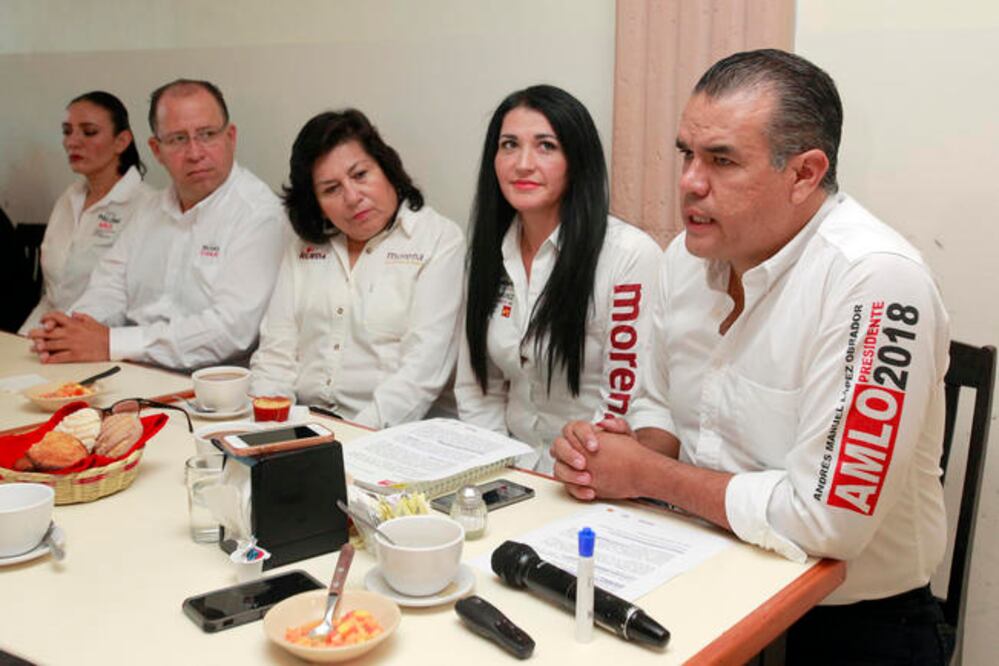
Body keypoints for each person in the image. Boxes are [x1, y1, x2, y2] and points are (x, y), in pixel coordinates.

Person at [552, 50, 953, 664]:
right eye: (687, 153)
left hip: (850, 623)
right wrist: (617, 453)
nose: (689, 180)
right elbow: (658, 401)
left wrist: (648, 476)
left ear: (804, 174)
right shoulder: (685, 260)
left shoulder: (875, 282)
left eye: (722, 160)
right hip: (705, 572)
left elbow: (829, 525)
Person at [455, 84, 661, 473]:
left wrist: (566, 473)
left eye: (546, 146)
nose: (522, 163)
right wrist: (503, 470)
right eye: (509, 145)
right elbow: (478, 389)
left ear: (577, 159)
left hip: (590, 475)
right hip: (505, 468)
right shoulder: (486, 254)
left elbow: (623, 401)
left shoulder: (629, 255)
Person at [26, 79, 287, 371]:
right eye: (177, 139)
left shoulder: (259, 214)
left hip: (207, 386)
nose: (195, 152)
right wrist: (74, 329)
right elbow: (109, 287)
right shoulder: (150, 210)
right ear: (156, 149)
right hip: (128, 369)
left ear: (231, 137)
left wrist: (111, 343)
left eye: (207, 134)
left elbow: (230, 331)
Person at [249, 110, 464, 428]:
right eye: (331, 189)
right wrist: (265, 428)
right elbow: (276, 353)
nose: (352, 197)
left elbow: (421, 373)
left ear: (387, 169)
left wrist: (352, 439)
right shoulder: (303, 248)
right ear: (315, 201)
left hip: (388, 434)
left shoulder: (439, 240)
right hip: (301, 426)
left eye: (361, 175)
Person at [19, 91, 151, 333]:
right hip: (48, 330)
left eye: (89, 132)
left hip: (104, 340)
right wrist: (27, 337)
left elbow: (135, 303)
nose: (73, 142)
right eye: (67, 131)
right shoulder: (68, 199)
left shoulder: (146, 206)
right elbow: (51, 296)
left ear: (121, 141)